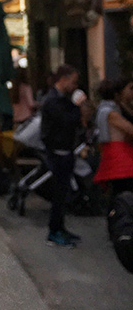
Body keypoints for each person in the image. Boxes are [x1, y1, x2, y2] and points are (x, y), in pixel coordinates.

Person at [40, 64, 86, 248]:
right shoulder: (54, 101)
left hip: (64, 150)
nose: (75, 86)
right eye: (73, 81)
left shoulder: (58, 99)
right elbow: (68, 121)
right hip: (58, 152)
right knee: (59, 194)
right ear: (64, 79)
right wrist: (77, 106)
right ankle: (54, 231)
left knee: (62, 193)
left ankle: (60, 227)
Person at [93, 78, 133, 196]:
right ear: (117, 94)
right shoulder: (111, 112)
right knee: (122, 190)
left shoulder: (102, 110)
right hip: (120, 154)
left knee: (117, 191)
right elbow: (130, 129)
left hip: (111, 151)